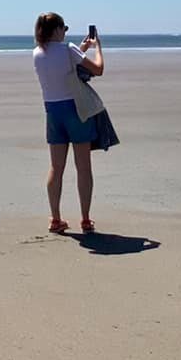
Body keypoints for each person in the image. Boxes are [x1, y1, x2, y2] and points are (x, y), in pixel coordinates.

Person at [32, 13, 116, 235]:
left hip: (53, 113)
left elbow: (61, 67)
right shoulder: (68, 49)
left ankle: (55, 219)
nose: (65, 32)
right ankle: (86, 219)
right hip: (76, 111)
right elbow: (98, 69)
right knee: (83, 167)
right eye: (64, 28)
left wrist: (81, 49)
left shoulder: (37, 53)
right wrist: (98, 47)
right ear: (57, 29)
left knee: (56, 168)